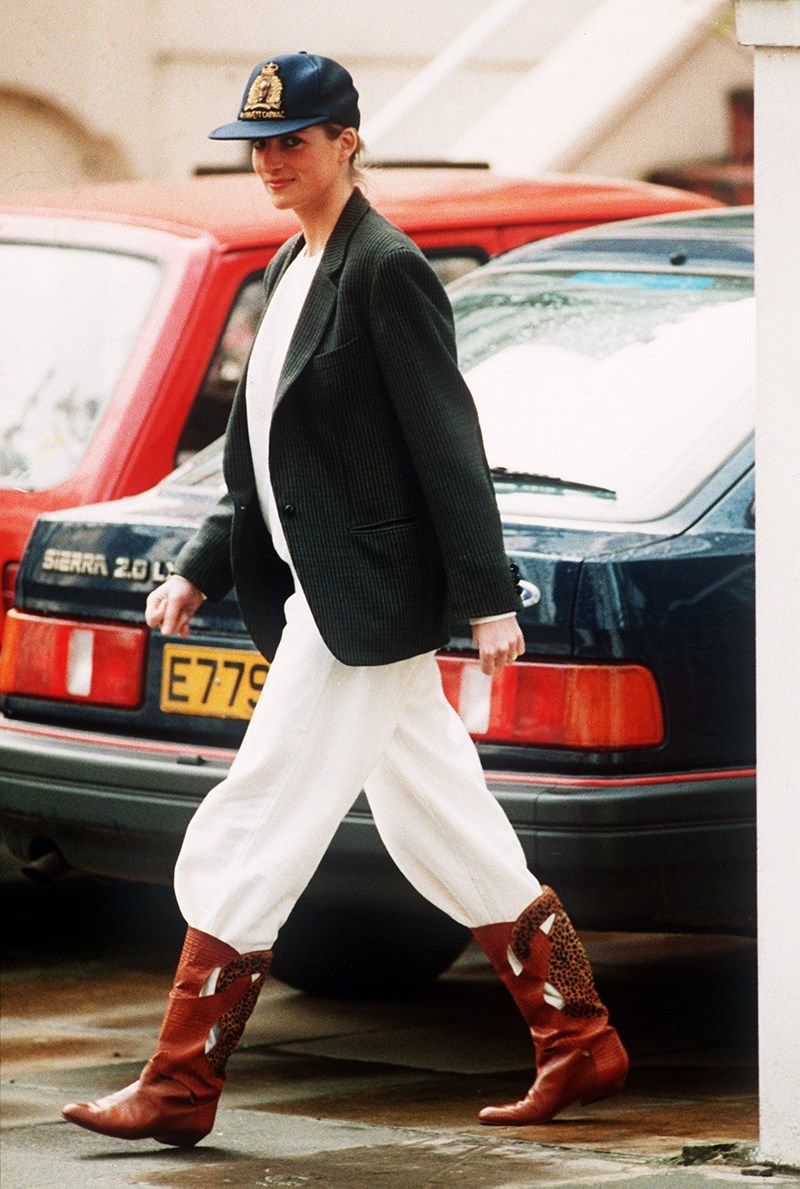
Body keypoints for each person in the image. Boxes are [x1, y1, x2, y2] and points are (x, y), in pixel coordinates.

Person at [61, 52, 628, 1147]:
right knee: (437, 817)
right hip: (326, 593)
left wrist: (485, 595)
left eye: (295, 141)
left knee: (258, 809)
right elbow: (260, 449)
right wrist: (199, 562)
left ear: (347, 143)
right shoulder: (290, 265)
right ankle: (578, 1038)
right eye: (261, 144)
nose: (272, 161)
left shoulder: (384, 268)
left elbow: (445, 442)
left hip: (362, 603)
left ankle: (180, 1084)